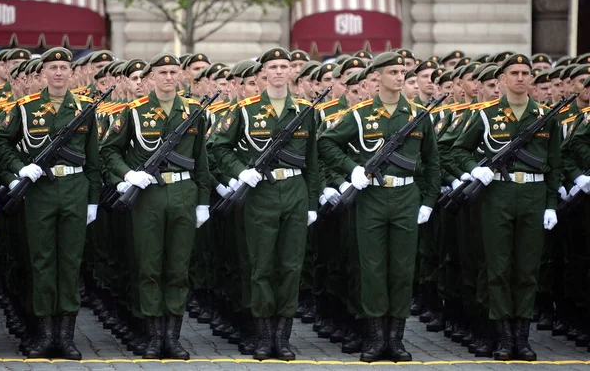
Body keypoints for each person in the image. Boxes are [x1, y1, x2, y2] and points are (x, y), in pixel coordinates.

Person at [318, 51, 440, 363]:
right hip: (371, 198)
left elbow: (431, 164)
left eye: (403, 72)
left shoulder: (418, 115)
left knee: (401, 270)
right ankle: (374, 339)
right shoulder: (359, 115)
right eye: (394, 72)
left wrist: (427, 201)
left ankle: (395, 341)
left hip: (405, 198)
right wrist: (352, 169)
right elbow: (325, 142)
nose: (400, 77)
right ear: (378, 77)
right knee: (371, 269)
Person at [210, 47, 319, 361]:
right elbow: (219, 147)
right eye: (273, 67)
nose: (280, 71)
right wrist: (240, 172)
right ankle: (262, 337)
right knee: (261, 267)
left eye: (285, 66)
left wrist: (311, 202)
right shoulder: (244, 109)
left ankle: (282, 339)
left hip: (295, 190)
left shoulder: (304, 110)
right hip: (262, 193)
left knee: (291, 266)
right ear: (263, 74)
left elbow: (312, 161)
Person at [100, 53, 211, 359]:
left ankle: (172, 338)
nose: (168, 77)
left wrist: (203, 202)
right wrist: (127, 174)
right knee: (148, 267)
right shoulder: (133, 112)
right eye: (162, 72)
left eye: (173, 72)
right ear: (151, 77)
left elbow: (202, 162)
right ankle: (152, 337)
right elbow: (109, 151)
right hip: (147, 197)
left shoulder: (193, 111)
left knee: (177, 268)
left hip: (184, 194)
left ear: (181, 76)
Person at [451, 54, 561, 362]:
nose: (521, 77)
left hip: (534, 194)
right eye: (514, 72)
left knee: (526, 270)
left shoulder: (545, 115)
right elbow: (459, 150)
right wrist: (476, 169)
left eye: (526, 73)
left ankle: (522, 339)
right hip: (498, 193)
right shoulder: (487, 115)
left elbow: (555, 165)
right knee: (498, 268)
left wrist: (551, 204)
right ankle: (502, 337)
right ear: (502, 79)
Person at [0, 47, 102, 360]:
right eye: (52, 67)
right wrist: (18, 168)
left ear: (70, 73)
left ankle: (65, 338)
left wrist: (93, 200)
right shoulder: (26, 107)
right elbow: (1, 141)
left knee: (69, 264)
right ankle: (42, 336)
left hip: (74, 188)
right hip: (40, 190)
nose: (57, 73)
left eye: (63, 67)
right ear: (43, 73)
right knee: (42, 262)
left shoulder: (84, 107)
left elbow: (94, 159)